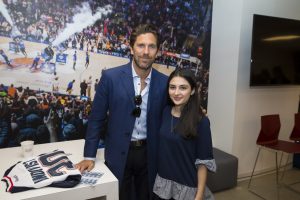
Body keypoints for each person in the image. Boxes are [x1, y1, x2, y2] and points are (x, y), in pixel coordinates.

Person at [75, 24, 168, 200]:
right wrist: (89, 156)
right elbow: (96, 119)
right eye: (141, 45)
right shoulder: (111, 77)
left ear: (158, 51)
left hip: (150, 154)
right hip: (118, 152)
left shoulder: (164, 83)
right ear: (131, 48)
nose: (146, 51)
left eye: (151, 46)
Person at [153, 69, 216, 200]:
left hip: (187, 190)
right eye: (172, 87)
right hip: (163, 188)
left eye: (183, 88)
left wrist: (198, 197)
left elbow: (203, 163)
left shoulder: (201, 121)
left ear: (192, 90)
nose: (176, 93)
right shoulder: (165, 112)